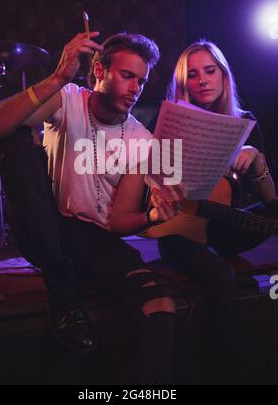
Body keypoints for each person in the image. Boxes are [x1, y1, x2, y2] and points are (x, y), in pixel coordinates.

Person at [0, 30, 184, 384]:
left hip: (93, 238)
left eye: (141, 80)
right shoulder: (68, 98)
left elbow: (118, 220)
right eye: (126, 75)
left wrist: (150, 217)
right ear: (100, 70)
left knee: (159, 307)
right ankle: (61, 277)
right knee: (13, 138)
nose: (135, 88)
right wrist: (59, 77)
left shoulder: (140, 139)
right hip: (46, 220)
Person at [110, 39, 278, 383]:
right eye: (193, 75)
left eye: (210, 71)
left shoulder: (245, 122)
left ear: (224, 76)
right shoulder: (169, 122)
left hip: (227, 225)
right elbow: (145, 182)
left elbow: (270, 200)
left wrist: (257, 159)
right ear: (183, 84)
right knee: (219, 276)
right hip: (179, 229)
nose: (202, 80)